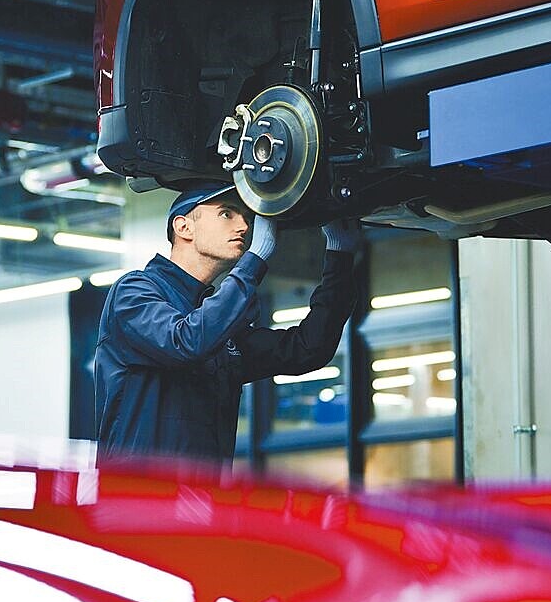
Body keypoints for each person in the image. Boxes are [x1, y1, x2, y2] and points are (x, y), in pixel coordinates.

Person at [95, 181, 361, 467]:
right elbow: (184, 341)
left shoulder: (219, 325)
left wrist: (339, 256)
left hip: (206, 503)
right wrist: (253, 262)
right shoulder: (134, 291)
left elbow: (307, 349)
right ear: (184, 227)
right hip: (135, 502)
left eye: (246, 218)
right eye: (227, 214)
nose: (244, 227)